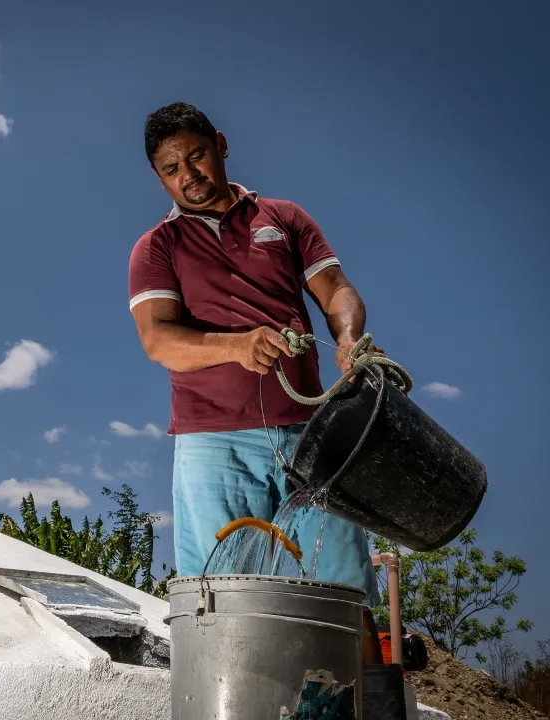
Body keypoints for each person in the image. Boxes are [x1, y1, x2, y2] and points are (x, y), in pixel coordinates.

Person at [128, 102, 383, 662]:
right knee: (218, 600)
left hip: (309, 435)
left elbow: (337, 289)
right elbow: (159, 340)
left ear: (220, 144)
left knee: (345, 587)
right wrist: (237, 345)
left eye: (196, 156)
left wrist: (347, 339)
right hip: (212, 443)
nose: (188, 176)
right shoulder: (156, 248)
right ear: (158, 176)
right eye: (172, 169)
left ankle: (363, 700)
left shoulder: (285, 216)